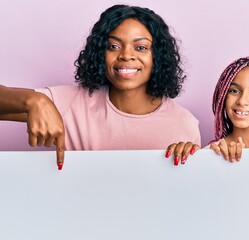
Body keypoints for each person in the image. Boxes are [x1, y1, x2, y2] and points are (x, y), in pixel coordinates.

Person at [0, 5, 201, 170]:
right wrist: (33, 101)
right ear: (100, 54)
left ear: (157, 56)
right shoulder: (72, 103)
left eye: (140, 47)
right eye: (113, 46)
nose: (125, 55)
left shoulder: (183, 125)